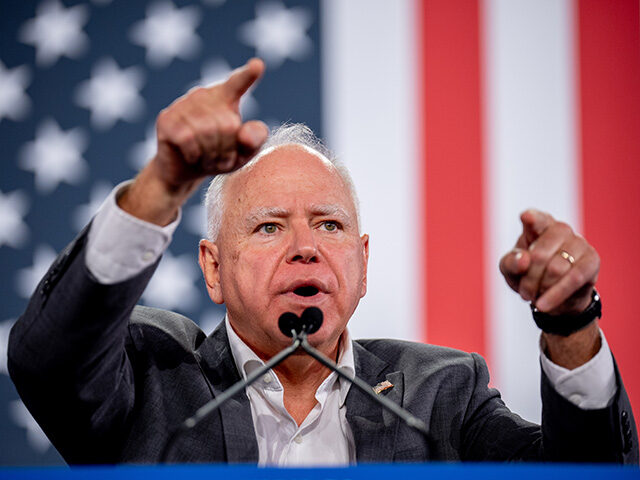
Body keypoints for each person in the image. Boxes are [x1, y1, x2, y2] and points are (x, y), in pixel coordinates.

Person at [8, 59, 638, 465]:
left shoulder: (441, 395)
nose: (305, 246)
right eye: (269, 226)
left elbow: (587, 474)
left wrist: (570, 324)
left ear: (361, 265)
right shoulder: (154, 377)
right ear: (214, 268)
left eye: (329, 224)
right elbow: (50, 360)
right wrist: (160, 188)